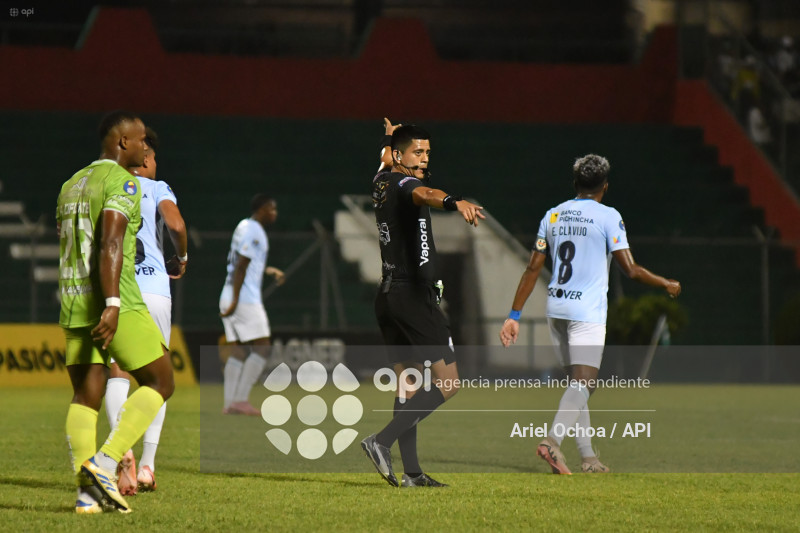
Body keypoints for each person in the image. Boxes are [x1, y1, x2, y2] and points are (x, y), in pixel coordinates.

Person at [499, 154, 680, 475]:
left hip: (557, 308)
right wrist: (665, 282)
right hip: (586, 312)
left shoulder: (553, 215)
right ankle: (552, 442)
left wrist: (514, 314)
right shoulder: (608, 216)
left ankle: (588, 458)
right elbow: (630, 269)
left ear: (575, 183)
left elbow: (532, 268)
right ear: (605, 187)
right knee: (584, 383)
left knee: (578, 384)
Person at [59, 110, 174, 514]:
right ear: (123, 141)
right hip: (115, 299)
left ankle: (87, 496)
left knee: (86, 393)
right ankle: (106, 464)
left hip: (73, 299)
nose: (145, 146)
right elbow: (110, 242)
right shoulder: (123, 181)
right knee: (161, 380)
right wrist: (111, 304)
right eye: (141, 139)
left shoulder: (71, 184)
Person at [361, 120, 485, 488]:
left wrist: (388, 136)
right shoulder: (405, 185)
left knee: (409, 386)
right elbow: (427, 194)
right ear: (400, 156)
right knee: (449, 383)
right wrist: (455, 201)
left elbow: (384, 158)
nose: (425, 158)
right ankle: (381, 441)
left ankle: (412, 474)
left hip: (389, 295)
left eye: (428, 151)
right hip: (413, 296)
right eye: (418, 152)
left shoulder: (380, 181)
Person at [104, 126, 188, 495]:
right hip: (155, 291)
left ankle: (121, 452)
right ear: (147, 159)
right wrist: (182, 256)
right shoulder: (157, 187)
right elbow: (176, 224)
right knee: (158, 379)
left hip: (120, 289)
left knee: (117, 372)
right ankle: (148, 466)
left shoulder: (110, 187)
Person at [219, 195, 285, 415]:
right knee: (263, 346)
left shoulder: (243, 226)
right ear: (261, 209)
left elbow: (244, 262)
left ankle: (230, 403)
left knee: (238, 350)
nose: (274, 213)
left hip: (228, 293)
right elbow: (241, 266)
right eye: (271, 208)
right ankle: (240, 400)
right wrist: (236, 300)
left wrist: (268, 270)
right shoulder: (254, 230)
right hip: (244, 298)